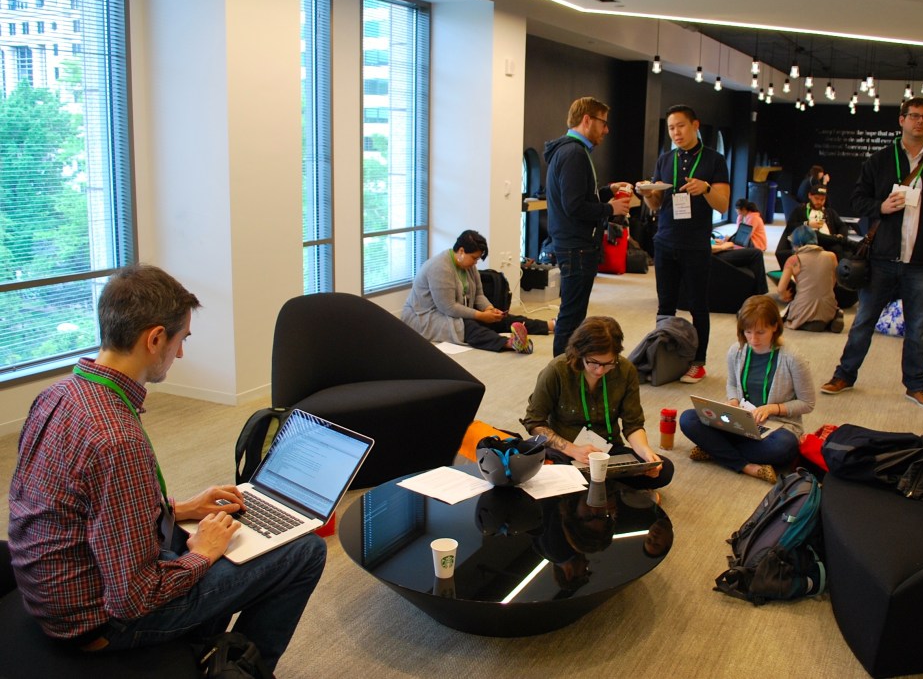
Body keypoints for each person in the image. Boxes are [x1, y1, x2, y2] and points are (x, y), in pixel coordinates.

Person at [7, 264, 324, 670]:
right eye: (181, 340)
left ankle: (202, 643)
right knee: (305, 551)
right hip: (100, 624)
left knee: (219, 533)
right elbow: (133, 597)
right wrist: (203, 556)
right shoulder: (116, 438)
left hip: (53, 593)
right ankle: (240, 669)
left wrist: (177, 510)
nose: (181, 353)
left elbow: (82, 509)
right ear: (155, 338)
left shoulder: (59, 394)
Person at [820, 97, 923, 409]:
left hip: (921, 263)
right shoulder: (879, 161)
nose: (919, 122)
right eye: (913, 116)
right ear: (902, 120)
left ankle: (916, 386)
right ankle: (844, 374)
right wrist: (880, 207)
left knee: (918, 329)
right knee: (863, 321)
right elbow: (856, 200)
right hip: (881, 259)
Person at [520, 316, 673, 490]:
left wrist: (646, 453)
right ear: (580, 353)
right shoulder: (557, 370)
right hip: (565, 453)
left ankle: (601, 485)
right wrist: (572, 449)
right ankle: (610, 487)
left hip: (607, 453)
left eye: (608, 363)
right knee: (546, 472)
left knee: (664, 469)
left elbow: (633, 425)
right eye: (593, 362)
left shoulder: (625, 370)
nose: (600, 370)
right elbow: (534, 423)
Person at [638, 105, 731, 383]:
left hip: (695, 244)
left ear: (695, 125)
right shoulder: (666, 159)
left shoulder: (714, 160)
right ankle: (661, 356)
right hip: (665, 240)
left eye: (680, 126)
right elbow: (656, 204)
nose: (675, 132)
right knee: (664, 304)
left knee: (697, 305)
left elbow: (723, 205)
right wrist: (647, 193)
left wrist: (706, 189)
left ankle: (698, 361)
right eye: (671, 128)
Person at [679, 295, 813, 481]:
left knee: (785, 447)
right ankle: (746, 466)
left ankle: (715, 450)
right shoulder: (737, 350)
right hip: (741, 421)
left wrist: (773, 408)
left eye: (760, 332)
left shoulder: (792, 358)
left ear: (775, 326)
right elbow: (732, 384)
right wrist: (733, 401)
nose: (753, 339)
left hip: (776, 426)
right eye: (748, 332)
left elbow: (807, 403)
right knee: (688, 419)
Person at [544, 97, 632, 357]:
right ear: (586, 120)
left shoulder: (571, 151)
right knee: (571, 317)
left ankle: (566, 371)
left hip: (575, 245)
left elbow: (579, 199)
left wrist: (606, 191)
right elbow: (574, 207)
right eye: (603, 123)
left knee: (574, 314)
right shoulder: (573, 153)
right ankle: (561, 375)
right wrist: (611, 209)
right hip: (577, 247)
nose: (606, 130)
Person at [402, 229, 550, 353]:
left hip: (452, 312)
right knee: (468, 326)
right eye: (474, 258)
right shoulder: (440, 268)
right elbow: (448, 308)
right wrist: (480, 315)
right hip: (426, 317)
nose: (475, 262)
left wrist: (489, 309)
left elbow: (479, 294)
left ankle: (549, 325)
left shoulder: (469, 266)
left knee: (500, 318)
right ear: (461, 251)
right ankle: (510, 343)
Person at [778, 225, 843, 332]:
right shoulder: (831, 256)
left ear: (797, 244)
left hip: (803, 309)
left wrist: (784, 296)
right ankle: (832, 318)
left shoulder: (794, 260)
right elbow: (833, 282)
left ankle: (809, 322)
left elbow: (781, 289)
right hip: (828, 307)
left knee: (786, 316)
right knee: (828, 305)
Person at [775, 183, 848, 268]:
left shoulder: (829, 212)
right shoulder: (800, 210)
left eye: (822, 199)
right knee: (815, 234)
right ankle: (838, 240)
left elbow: (842, 226)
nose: (819, 202)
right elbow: (790, 226)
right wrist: (807, 224)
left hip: (829, 242)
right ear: (810, 196)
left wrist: (841, 234)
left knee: (838, 248)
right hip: (808, 242)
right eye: (816, 198)